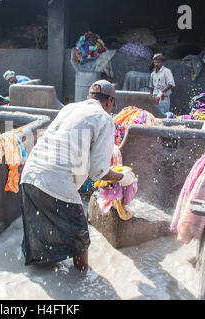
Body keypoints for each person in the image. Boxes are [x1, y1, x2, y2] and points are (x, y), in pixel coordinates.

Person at [20, 80, 138, 271]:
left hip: (30, 174)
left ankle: (40, 278)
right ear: (109, 101)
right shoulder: (104, 118)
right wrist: (122, 177)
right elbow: (98, 171)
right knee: (80, 236)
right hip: (56, 180)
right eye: (113, 104)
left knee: (40, 235)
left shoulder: (70, 108)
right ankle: (81, 279)